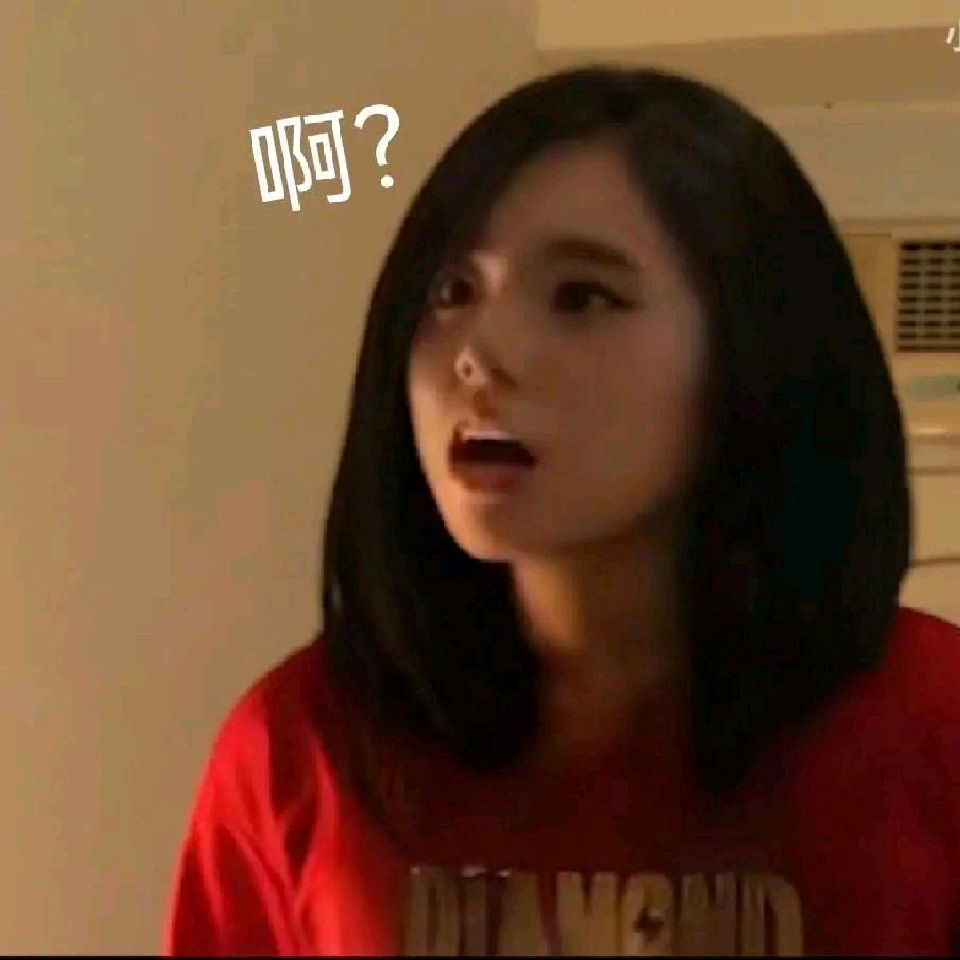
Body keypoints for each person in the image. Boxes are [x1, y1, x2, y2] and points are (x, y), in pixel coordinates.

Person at [163, 65, 960, 956]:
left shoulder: (932, 722)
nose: (479, 353)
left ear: (752, 347)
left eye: (582, 296)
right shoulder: (301, 746)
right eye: (449, 292)